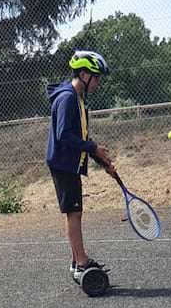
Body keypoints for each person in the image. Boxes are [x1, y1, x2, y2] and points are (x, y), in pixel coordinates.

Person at [45, 50, 117, 281]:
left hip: (68, 164)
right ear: (84, 75)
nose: (98, 83)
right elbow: (64, 135)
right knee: (73, 214)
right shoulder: (67, 99)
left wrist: (101, 160)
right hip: (63, 164)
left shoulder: (77, 100)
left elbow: (81, 138)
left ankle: (78, 261)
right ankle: (81, 263)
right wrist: (94, 149)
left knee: (75, 213)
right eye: (96, 78)